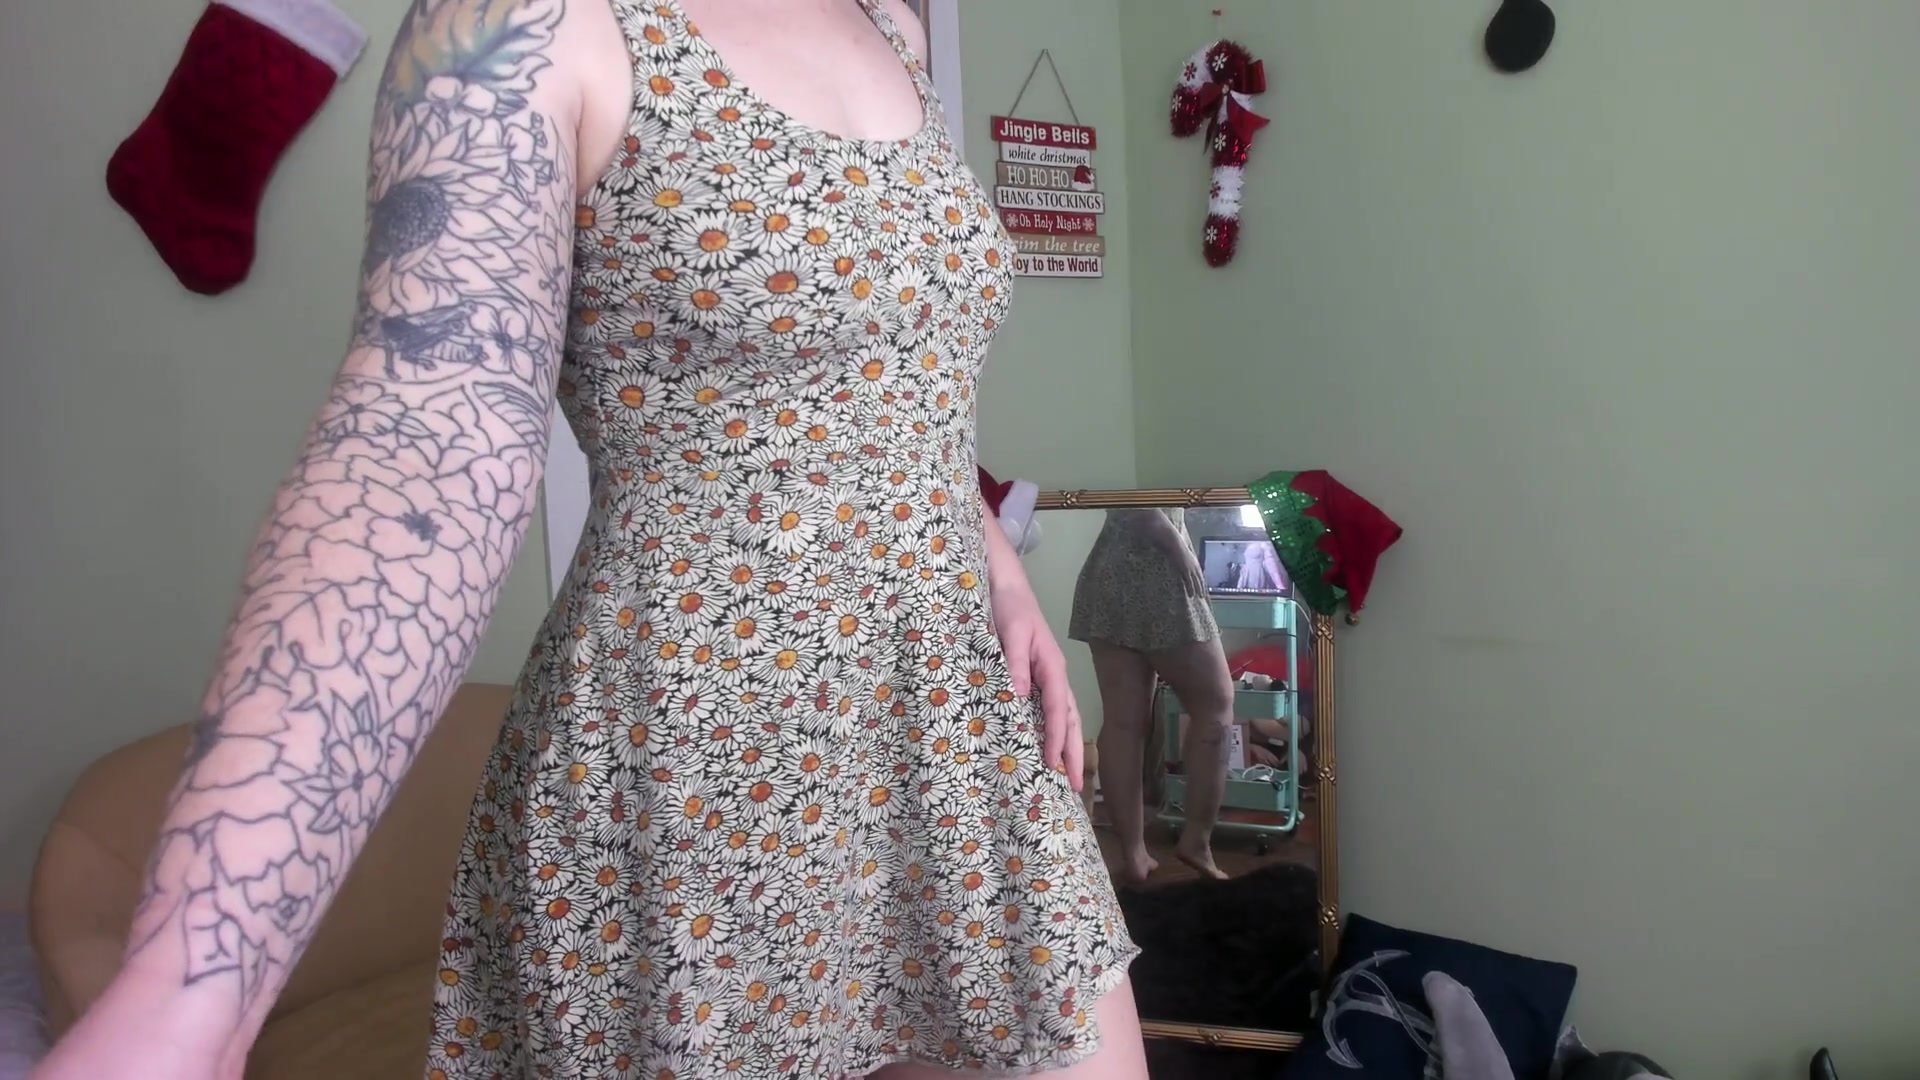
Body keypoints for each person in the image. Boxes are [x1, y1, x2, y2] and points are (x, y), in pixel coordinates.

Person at [30, 1, 1147, 1078]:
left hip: (950, 734)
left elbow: (893, 370)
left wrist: (993, 561)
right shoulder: (530, 22)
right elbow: (425, 450)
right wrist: (191, 989)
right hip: (699, 771)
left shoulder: (892, 27)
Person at [1068, 509, 1237, 884]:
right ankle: (1197, 841)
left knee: (1123, 723)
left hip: (1109, 570)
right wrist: (1177, 544)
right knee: (1216, 707)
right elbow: (1145, 504)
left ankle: (1134, 853)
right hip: (1160, 568)